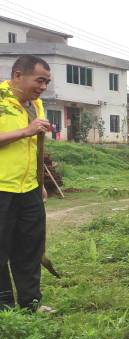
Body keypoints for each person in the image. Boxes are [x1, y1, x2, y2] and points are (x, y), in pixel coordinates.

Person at [0, 55, 51, 311]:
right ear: (18, 75)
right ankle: (4, 308)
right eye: (39, 80)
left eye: (46, 82)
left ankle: (31, 302)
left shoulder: (36, 104)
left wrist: (40, 181)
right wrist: (25, 131)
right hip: (1, 188)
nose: (43, 87)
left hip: (28, 188)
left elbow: (36, 146)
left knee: (30, 247)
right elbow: (27, 135)